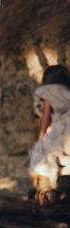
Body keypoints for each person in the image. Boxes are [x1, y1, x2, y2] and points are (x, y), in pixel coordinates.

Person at [29, 65, 70, 206]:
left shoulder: (49, 91)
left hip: (62, 129)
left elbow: (46, 118)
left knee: (43, 155)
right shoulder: (67, 91)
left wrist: (40, 139)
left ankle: (49, 191)